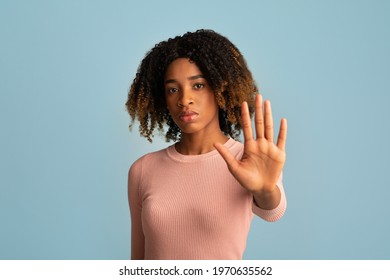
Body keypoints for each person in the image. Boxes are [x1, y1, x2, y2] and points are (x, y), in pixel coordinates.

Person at [125, 29, 288, 260]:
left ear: (220, 88)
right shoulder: (143, 170)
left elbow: (273, 210)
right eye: (173, 89)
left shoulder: (250, 159)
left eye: (198, 85)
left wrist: (265, 189)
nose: (184, 99)